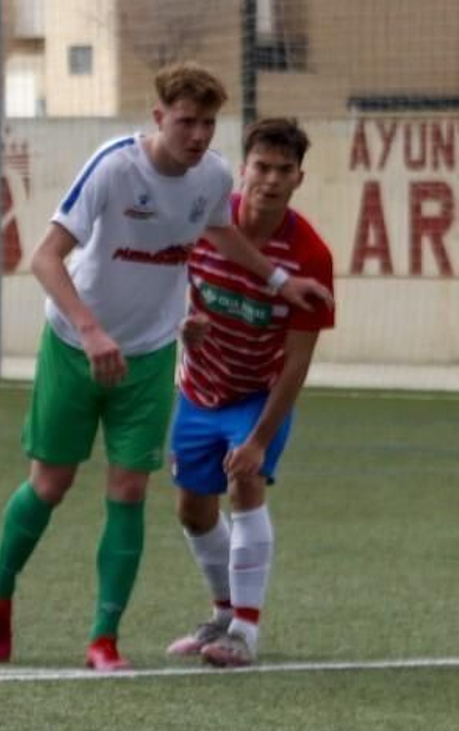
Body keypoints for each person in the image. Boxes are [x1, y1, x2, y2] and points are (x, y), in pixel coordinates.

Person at [0, 62, 332, 672]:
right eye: (186, 122)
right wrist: (91, 332)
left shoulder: (213, 177)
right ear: (159, 118)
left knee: (130, 489)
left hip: (148, 355)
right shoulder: (115, 168)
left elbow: (220, 233)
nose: (197, 136)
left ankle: (104, 639)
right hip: (74, 345)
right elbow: (44, 257)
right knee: (51, 485)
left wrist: (277, 279)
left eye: (208, 124)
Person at [164, 118, 334, 668]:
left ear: (299, 179)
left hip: (258, 393)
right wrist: (183, 325)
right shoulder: (207, 223)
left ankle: (245, 631)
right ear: (243, 170)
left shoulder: (310, 256)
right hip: (199, 386)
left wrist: (259, 440)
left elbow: (298, 362)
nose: (271, 179)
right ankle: (221, 614)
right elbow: (169, 291)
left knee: (245, 478)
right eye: (262, 167)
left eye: (285, 170)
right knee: (192, 510)